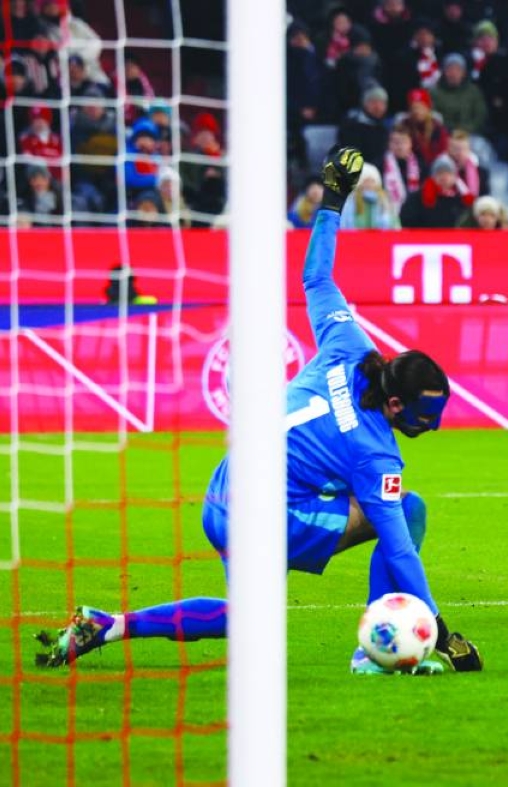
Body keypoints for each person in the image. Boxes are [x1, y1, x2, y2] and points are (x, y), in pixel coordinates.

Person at [36, 148, 483, 675]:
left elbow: (317, 278)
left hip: (222, 494)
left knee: (245, 618)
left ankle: (110, 625)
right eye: (424, 416)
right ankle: (374, 653)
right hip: (267, 514)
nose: (430, 426)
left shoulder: (347, 342)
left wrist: (333, 199)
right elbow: (401, 551)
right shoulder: (376, 454)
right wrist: (443, 631)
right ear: (393, 403)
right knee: (407, 513)